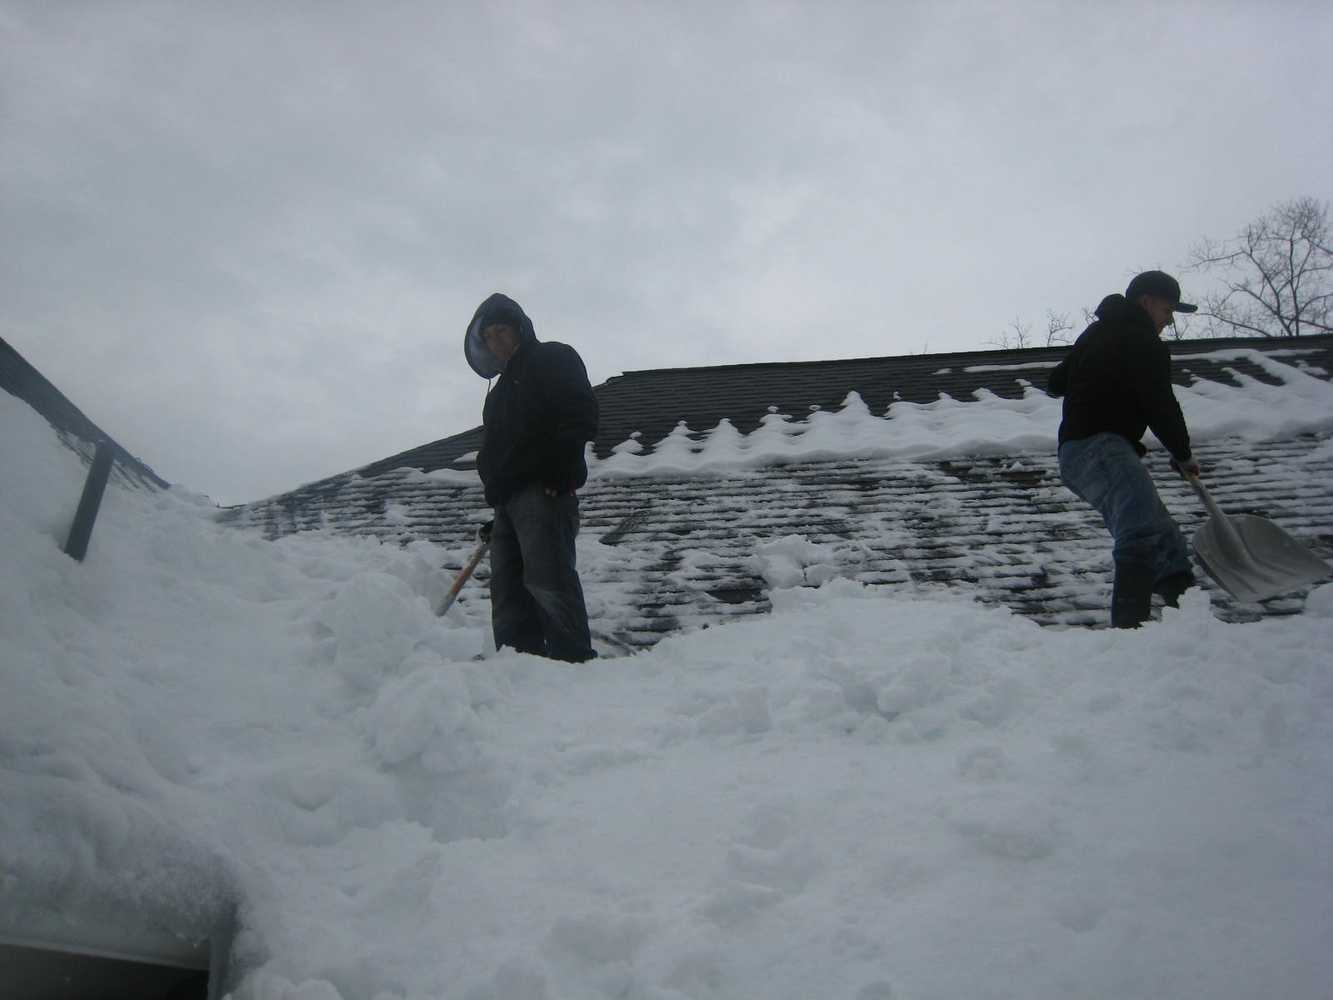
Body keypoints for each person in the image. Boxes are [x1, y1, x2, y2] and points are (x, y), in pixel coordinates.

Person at [1048, 270, 1202, 628]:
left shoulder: (1097, 333)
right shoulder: (1142, 340)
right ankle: (1127, 637)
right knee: (1141, 533)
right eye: (1167, 311)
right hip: (1100, 446)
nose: (1168, 321)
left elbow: (1056, 383)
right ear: (1146, 302)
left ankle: (1197, 630)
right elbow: (1159, 402)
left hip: (1079, 454)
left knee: (1166, 542)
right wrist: (1182, 454)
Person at [464, 292, 599, 661]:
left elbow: (579, 412)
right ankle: (518, 665)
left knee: (547, 579)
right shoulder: (497, 395)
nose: (496, 341)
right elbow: (494, 452)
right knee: (506, 589)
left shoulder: (552, 357)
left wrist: (564, 467)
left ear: (520, 328)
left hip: (545, 487)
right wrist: (497, 503)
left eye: (501, 330)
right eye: (488, 336)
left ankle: (572, 661)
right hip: (508, 501)